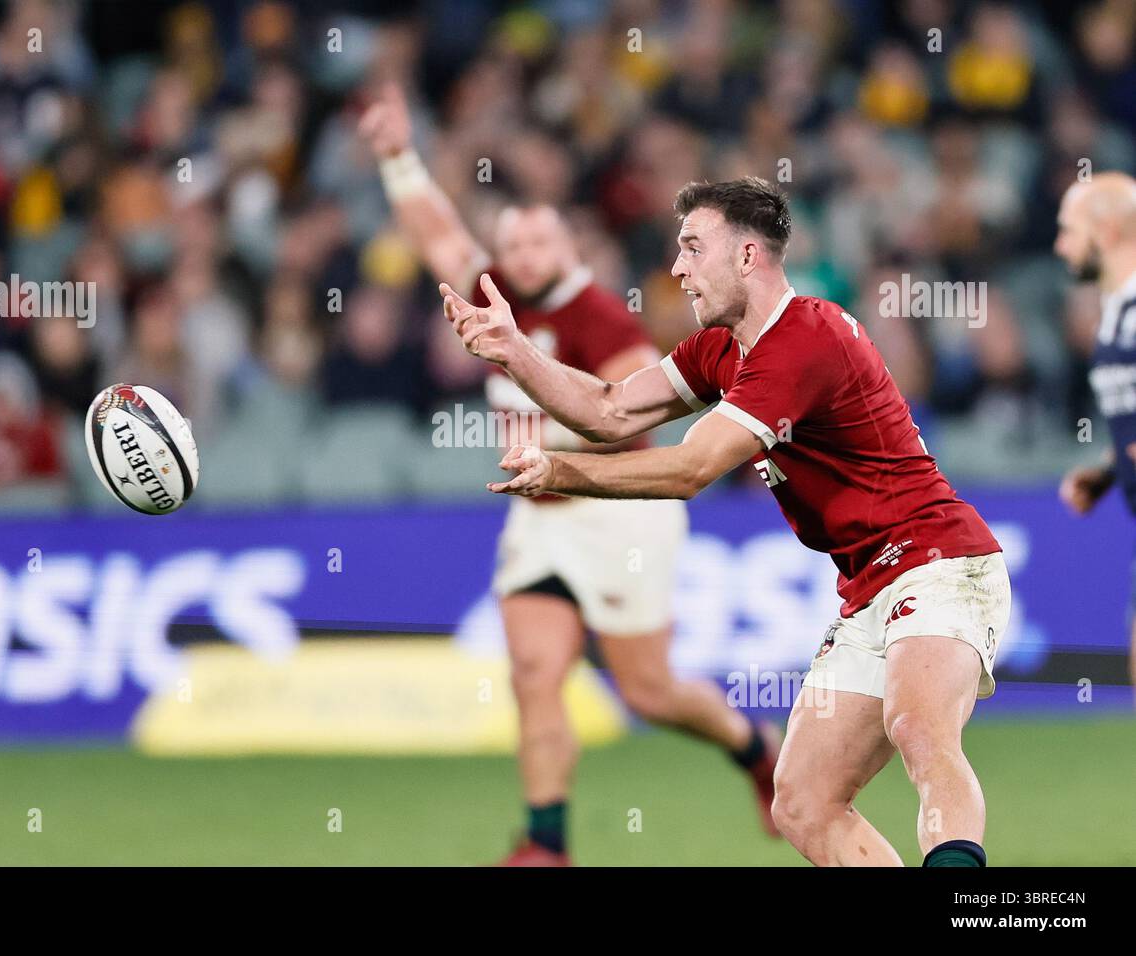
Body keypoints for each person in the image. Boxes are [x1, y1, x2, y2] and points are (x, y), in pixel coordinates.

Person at [441, 176, 1010, 867]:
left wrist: (563, 471)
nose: (676, 268)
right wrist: (516, 352)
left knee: (918, 725)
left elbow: (690, 470)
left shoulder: (803, 339)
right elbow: (611, 409)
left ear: (747, 257)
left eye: (691, 248)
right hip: (865, 588)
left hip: (938, 561)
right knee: (802, 801)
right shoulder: (720, 350)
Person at [359, 85, 782, 866]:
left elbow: (631, 420)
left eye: (537, 245)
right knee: (533, 672)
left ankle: (755, 748)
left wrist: (551, 438)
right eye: (512, 245)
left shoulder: (601, 322)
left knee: (650, 694)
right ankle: (546, 843)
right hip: (540, 510)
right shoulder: (498, 293)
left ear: (570, 252)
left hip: (619, 515)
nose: (520, 258)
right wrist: (396, 156)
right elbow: (436, 233)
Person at [1055, 171, 1136, 698]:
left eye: (1070, 230)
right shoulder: (1115, 316)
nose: (1061, 246)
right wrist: (1108, 472)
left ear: (1104, 230)